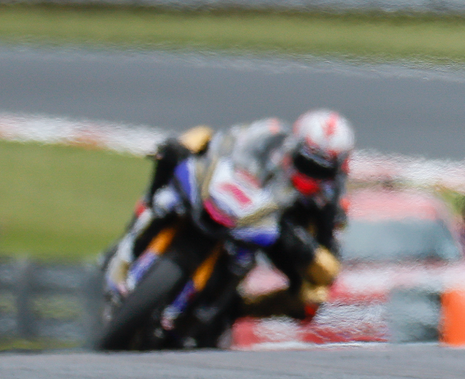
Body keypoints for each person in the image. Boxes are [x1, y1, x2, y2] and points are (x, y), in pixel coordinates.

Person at [128, 109, 354, 331]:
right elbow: (226, 142)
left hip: (276, 233)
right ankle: (143, 214)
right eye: (306, 163)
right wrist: (194, 155)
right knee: (192, 139)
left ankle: (236, 309)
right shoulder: (271, 133)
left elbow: (330, 264)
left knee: (312, 299)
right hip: (234, 196)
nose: (310, 174)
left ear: (337, 168)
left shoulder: (333, 198)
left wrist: (303, 247)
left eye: (320, 169)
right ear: (295, 145)